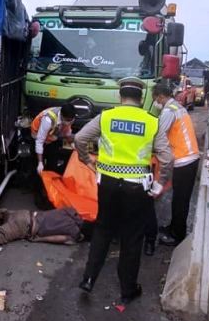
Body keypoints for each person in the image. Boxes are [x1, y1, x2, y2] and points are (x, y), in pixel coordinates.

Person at [75, 77, 173, 305]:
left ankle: (89, 279)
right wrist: (158, 185)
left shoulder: (106, 117)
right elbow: (167, 159)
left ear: (120, 96)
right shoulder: (151, 121)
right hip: (137, 187)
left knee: (103, 230)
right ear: (141, 98)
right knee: (132, 236)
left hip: (107, 183)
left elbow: (80, 138)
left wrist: (87, 160)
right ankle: (128, 289)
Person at [150, 81, 200, 247]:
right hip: (188, 158)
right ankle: (173, 227)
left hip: (184, 159)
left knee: (180, 200)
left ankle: (177, 235)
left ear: (161, 96)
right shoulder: (177, 107)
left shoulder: (169, 111)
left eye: (155, 99)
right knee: (178, 199)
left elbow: (159, 134)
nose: (155, 102)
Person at [31, 104, 76, 174]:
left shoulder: (69, 117)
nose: (69, 122)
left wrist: (72, 144)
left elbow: (67, 132)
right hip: (37, 135)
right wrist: (40, 162)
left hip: (52, 136)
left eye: (70, 120)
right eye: (67, 120)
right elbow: (39, 141)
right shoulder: (48, 120)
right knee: (38, 168)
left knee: (53, 164)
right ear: (62, 116)